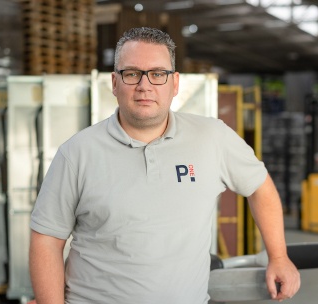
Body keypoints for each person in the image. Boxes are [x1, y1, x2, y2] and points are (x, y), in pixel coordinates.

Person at [29, 27, 300, 304]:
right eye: (132, 73)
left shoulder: (213, 138)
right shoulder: (76, 153)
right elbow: (47, 238)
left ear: (175, 83)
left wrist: (278, 257)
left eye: (158, 74)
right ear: (114, 82)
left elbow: (260, 187)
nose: (144, 86)